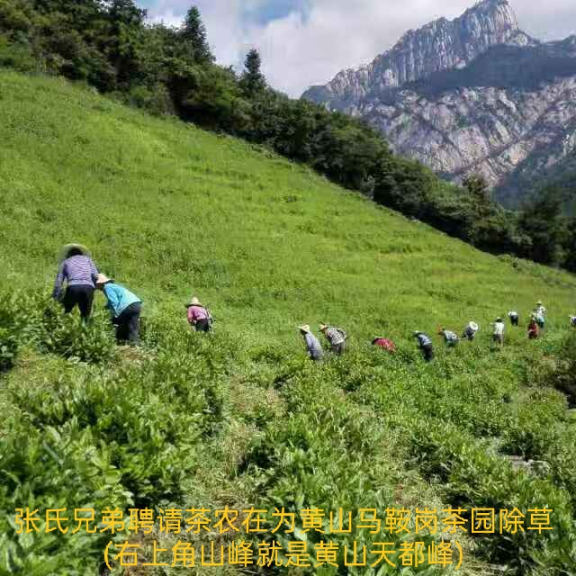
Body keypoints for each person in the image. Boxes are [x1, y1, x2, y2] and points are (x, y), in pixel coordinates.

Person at [53, 244, 99, 321]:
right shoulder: (88, 260)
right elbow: (95, 275)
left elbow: (59, 280)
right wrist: (94, 288)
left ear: (69, 255)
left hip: (73, 287)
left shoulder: (65, 262)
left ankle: (64, 325)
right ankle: (84, 327)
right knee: (85, 315)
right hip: (88, 287)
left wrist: (55, 295)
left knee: (66, 311)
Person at [96, 274, 142, 345]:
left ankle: (120, 342)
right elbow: (110, 302)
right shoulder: (113, 286)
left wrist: (115, 315)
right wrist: (104, 308)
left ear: (100, 284)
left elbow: (114, 302)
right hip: (136, 304)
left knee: (117, 322)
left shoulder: (107, 287)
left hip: (127, 305)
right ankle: (134, 345)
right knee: (132, 326)